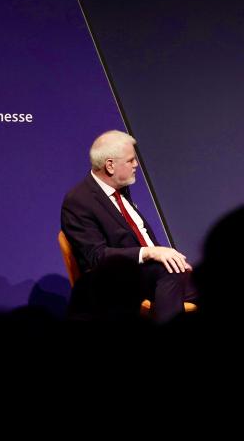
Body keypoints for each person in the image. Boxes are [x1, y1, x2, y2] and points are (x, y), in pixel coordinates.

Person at [61, 130, 195, 323]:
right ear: (110, 166)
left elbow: (140, 234)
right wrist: (149, 253)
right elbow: (96, 256)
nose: (136, 165)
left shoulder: (120, 189)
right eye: (130, 160)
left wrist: (171, 259)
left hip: (153, 274)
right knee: (167, 271)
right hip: (117, 280)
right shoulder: (79, 201)